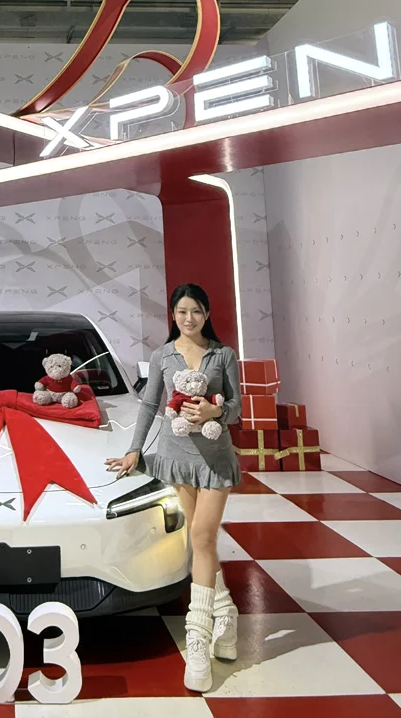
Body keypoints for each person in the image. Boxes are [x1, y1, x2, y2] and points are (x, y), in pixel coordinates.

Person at [105, 283, 242, 693]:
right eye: (182, 311)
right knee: (198, 542)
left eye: (196, 311)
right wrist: (134, 450)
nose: (189, 318)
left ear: (206, 313)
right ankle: (226, 614)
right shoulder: (162, 355)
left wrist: (216, 409)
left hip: (215, 460)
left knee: (203, 537)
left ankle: (197, 638)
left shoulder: (223, 354)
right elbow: (150, 404)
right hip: (176, 456)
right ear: (173, 314)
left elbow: (236, 406)